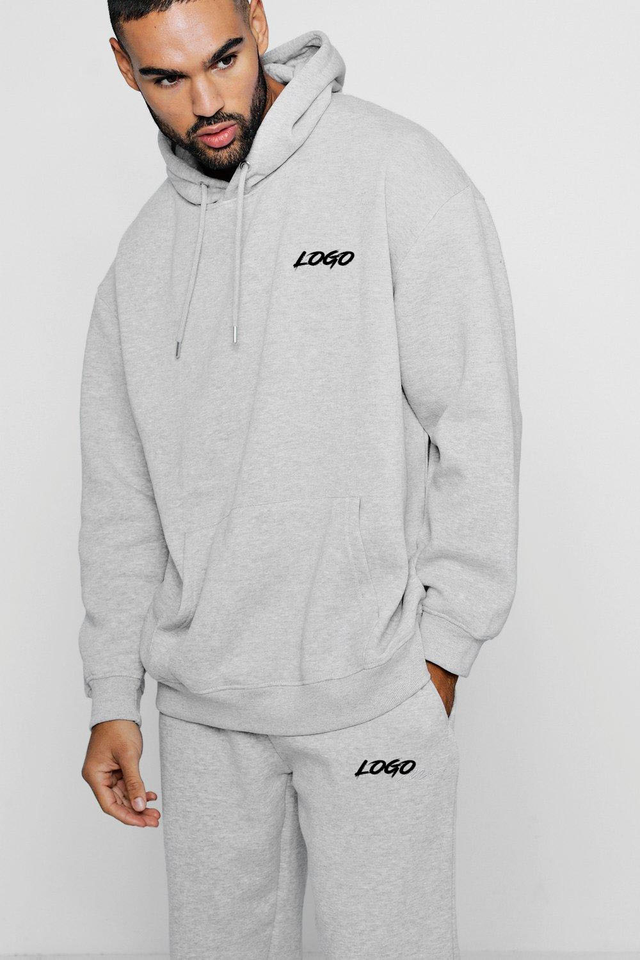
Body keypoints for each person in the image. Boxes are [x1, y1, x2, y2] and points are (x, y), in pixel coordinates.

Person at [79, 1, 523, 957]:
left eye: (224, 59)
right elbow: (122, 497)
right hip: (205, 720)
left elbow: (477, 418)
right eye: (166, 78)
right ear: (123, 66)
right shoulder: (141, 260)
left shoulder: (397, 174)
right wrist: (114, 694)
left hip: (375, 698)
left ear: (257, 17)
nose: (206, 103)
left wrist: (442, 651)